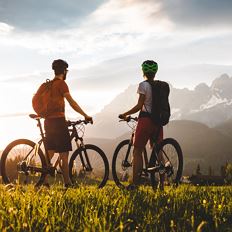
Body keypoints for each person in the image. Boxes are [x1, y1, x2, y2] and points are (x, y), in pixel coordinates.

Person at [42, 59, 92, 188]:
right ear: (64, 71)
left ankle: (44, 181)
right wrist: (85, 115)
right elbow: (72, 102)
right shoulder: (61, 84)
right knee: (64, 154)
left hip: (47, 121)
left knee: (51, 151)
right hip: (58, 122)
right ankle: (68, 183)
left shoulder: (48, 85)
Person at [119, 60, 164, 190]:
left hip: (145, 121)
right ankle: (161, 184)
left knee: (137, 151)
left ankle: (135, 184)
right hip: (158, 122)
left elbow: (139, 105)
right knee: (158, 151)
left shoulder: (143, 85)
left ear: (143, 72)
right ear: (155, 72)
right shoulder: (160, 86)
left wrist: (125, 114)